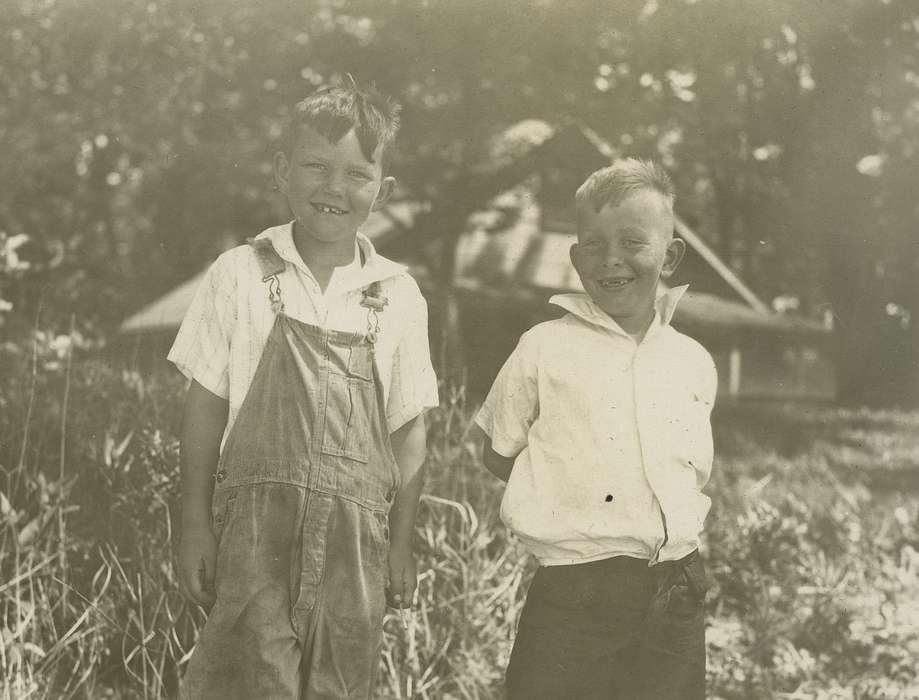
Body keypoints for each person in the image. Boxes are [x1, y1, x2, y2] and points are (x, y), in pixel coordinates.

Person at [168, 81, 438, 700]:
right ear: (282, 171)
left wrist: (400, 543)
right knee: (245, 679)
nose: (333, 189)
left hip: (357, 545)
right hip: (254, 535)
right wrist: (193, 523)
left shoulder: (398, 295)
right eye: (315, 166)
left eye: (356, 173)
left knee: (339, 684)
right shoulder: (240, 272)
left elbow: (408, 430)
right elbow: (205, 403)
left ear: (383, 189)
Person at [475, 158, 717, 700]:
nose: (612, 259)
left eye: (633, 242)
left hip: (675, 589)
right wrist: (566, 493)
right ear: (575, 254)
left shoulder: (692, 360)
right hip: (575, 594)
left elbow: (691, 470)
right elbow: (497, 453)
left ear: (670, 255)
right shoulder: (544, 346)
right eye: (594, 243)